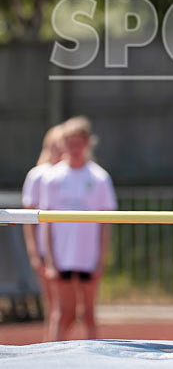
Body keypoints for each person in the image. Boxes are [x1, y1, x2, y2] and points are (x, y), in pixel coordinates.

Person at [40, 117, 117, 341]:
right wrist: (50, 259)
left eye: (78, 144)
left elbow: (105, 223)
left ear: (87, 144)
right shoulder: (52, 178)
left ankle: (93, 359)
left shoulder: (99, 178)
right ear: (62, 145)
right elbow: (46, 222)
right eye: (69, 144)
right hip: (62, 257)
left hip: (87, 257)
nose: (74, 149)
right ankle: (52, 358)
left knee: (89, 314)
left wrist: (100, 259)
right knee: (62, 313)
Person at [21, 124, 64, 341]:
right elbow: (29, 218)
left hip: (68, 249)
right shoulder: (38, 175)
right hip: (47, 247)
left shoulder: (68, 175)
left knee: (67, 309)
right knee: (55, 307)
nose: (62, 150)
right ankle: (53, 352)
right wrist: (34, 252)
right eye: (57, 145)